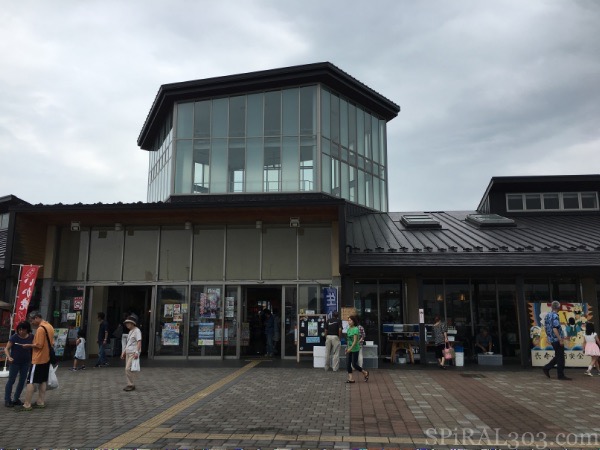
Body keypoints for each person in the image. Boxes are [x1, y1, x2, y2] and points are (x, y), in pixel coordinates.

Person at [18, 311, 55, 411]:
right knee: (43, 380)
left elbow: (38, 345)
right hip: (46, 358)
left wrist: (28, 345)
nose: (31, 323)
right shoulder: (49, 326)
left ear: (37, 318)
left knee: (30, 380)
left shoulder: (40, 329)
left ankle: (27, 404)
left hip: (38, 359)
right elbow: (52, 342)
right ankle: (40, 401)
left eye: (32, 320)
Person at [4, 321, 33, 407]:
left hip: (26, 362)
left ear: (27, 330)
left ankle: (16, 399)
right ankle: (7, 399)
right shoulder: (14, 337)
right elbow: (6, 349)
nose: (21, 332)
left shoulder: (31, 337)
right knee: (11, 380)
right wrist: (9, 357)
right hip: (14, 362)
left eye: (23, 330)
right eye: (19, 330)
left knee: (22, 381)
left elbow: (34, 346)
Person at [543, 301, 570, 380]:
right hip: (556, 339)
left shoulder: (547, 315)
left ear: (551, 307)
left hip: (551, 339)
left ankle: (547, 368)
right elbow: (555, 328)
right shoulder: (555, 316)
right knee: (560, 357)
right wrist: (560, 339)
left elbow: (545, 327)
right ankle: (560, 375)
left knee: (558, 356)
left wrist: (548, 337)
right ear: (558, 307)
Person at [345, 315, 369, 383]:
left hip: (355, 348)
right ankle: (350, 379)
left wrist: (350, 348)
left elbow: (355, 341)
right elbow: (348, 340)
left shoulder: (356, 329)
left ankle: (365, 372)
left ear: (354, 321)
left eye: (350, 320)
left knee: (354, 364)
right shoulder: (349, 329)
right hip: (349, 348)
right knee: (348, 364)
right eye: (348, 320)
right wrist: (347, 348)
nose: (349, 322)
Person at [120, 316, 142, 391]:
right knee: (129, 369)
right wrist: (124, 352)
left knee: (127, 368)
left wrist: (137, 352)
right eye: (126, 323)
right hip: (128, 352)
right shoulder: (130, 332)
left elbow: (139, 342)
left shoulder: (137, 331)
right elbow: (128, 343)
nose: (127, 325)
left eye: (128, 323)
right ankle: (130, 384)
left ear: (132, 323)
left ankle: (131, 384)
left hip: (133, 352)